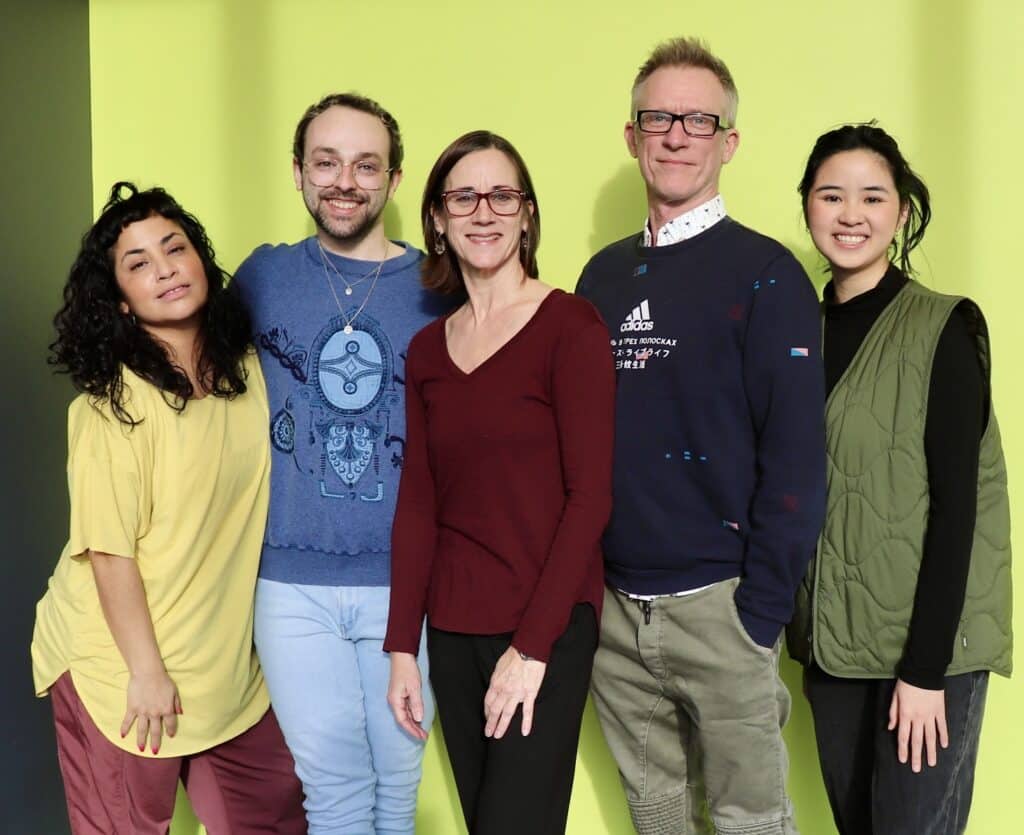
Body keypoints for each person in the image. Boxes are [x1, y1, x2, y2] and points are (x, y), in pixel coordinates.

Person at [576, 37, 826, 835]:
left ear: (729, 141)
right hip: (616, 614)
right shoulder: (601, 278)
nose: (677, 134)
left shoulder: (768, 274)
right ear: (632, 134)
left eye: (699, 119)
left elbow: (795, 460)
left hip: (722, 610)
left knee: (751, 821)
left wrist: (758, 614)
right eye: (659, 117)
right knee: (657, 819)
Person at [31, 182, 306, 834]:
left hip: (224, 673)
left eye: (174, 248)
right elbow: (108, 551)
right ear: (121, 301)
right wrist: (147, 673)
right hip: (123, 670)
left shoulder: (248, 372)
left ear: (200, 261)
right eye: (139, 264)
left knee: (276, 819)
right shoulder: (110, 408)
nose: (165, 269)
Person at [383, 130, 615, 835]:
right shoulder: (427, 349)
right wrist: (401, 648)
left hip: (543, 624)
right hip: (453, 629)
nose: (483, 212)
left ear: (527, 214)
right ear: (438, 220)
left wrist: (533, 646)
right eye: (463, 197)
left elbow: (591, 497)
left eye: (501, 195)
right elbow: (419, 503)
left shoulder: (570, 326)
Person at [786, 123, 1013, 835]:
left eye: (872, 197)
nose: (850, 214)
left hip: (926, 654)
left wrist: (923, 672)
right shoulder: (795, 334)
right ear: (808, 207)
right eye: (831, 195)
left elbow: (957, 514)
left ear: (902, 213)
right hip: (833, 646)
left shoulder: (943, 328)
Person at [233, 92, 444, 834]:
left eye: (365, 164)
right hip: (291, 587)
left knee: (399, 780)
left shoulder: (442, 288)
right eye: (326, 162)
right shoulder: (261, 280)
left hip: (408, 580)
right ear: (298, 173)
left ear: (394, 178)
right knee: (334, 790)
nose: (344, 180)